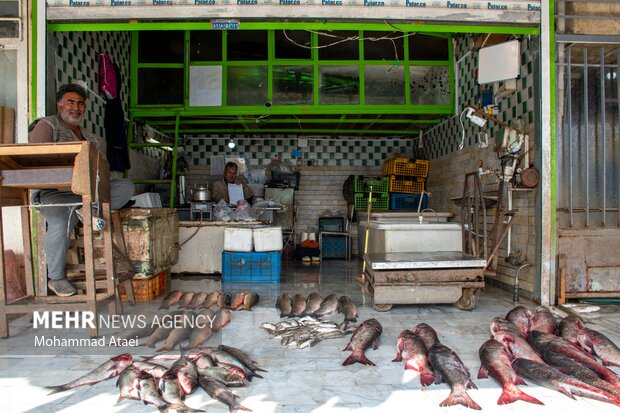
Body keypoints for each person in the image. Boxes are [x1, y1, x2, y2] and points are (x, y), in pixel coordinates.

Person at [29, 83, 135, 297]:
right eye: (70, 102)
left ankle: (88, 209)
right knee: (60, 220)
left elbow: (101, 170)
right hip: (56, 193)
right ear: (60, 104)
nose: (75, 107)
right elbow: (36, 160)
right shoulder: (47, 125)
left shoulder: (91, 137)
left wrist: (97, 184)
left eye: (80, 104)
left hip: (87, 193)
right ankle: (56, 278)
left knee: (125, 186)